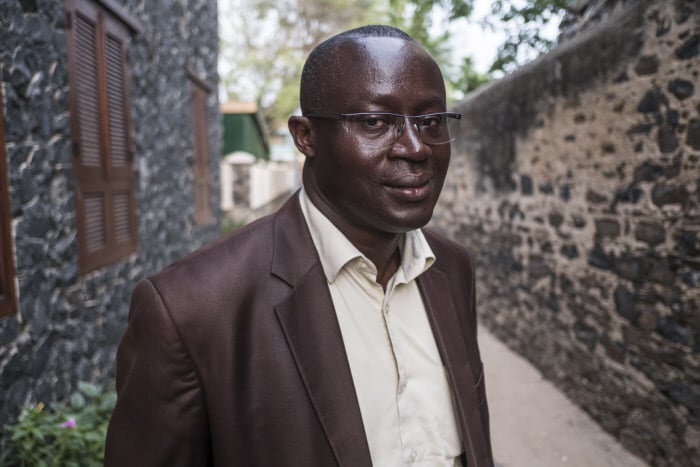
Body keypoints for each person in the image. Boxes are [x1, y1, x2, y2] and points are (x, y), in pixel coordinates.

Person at [105, 25, 493, 467]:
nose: (415, 147)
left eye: (430, 121)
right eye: (375, 121)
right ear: (305, 136)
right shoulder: (190, 309)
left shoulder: (451, 268)